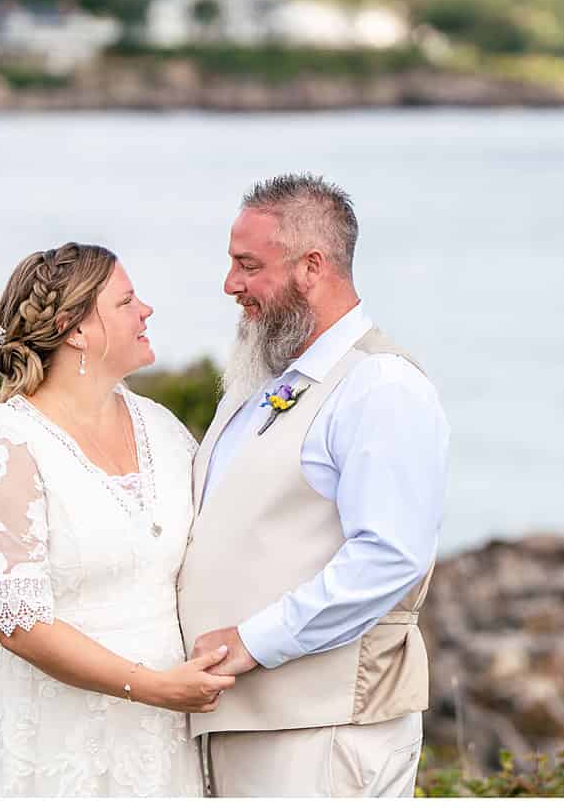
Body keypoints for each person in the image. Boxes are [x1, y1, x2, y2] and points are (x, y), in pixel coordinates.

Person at [177, 174, 451, 797]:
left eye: (248, 265)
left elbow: (390, 557)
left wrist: (252, 643)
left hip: (326, 730)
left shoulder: (382, 387)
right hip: (239, 723)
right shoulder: (259, 385)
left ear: (312, 266)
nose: (230, 285)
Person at [0, 242, 231, 796]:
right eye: (127, 301)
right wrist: (151, 686)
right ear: (74, 328)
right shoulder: (4, 447)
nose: (146, 310)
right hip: (59, 736)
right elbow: (19, 626)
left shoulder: (163, 429)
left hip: (163, 732)